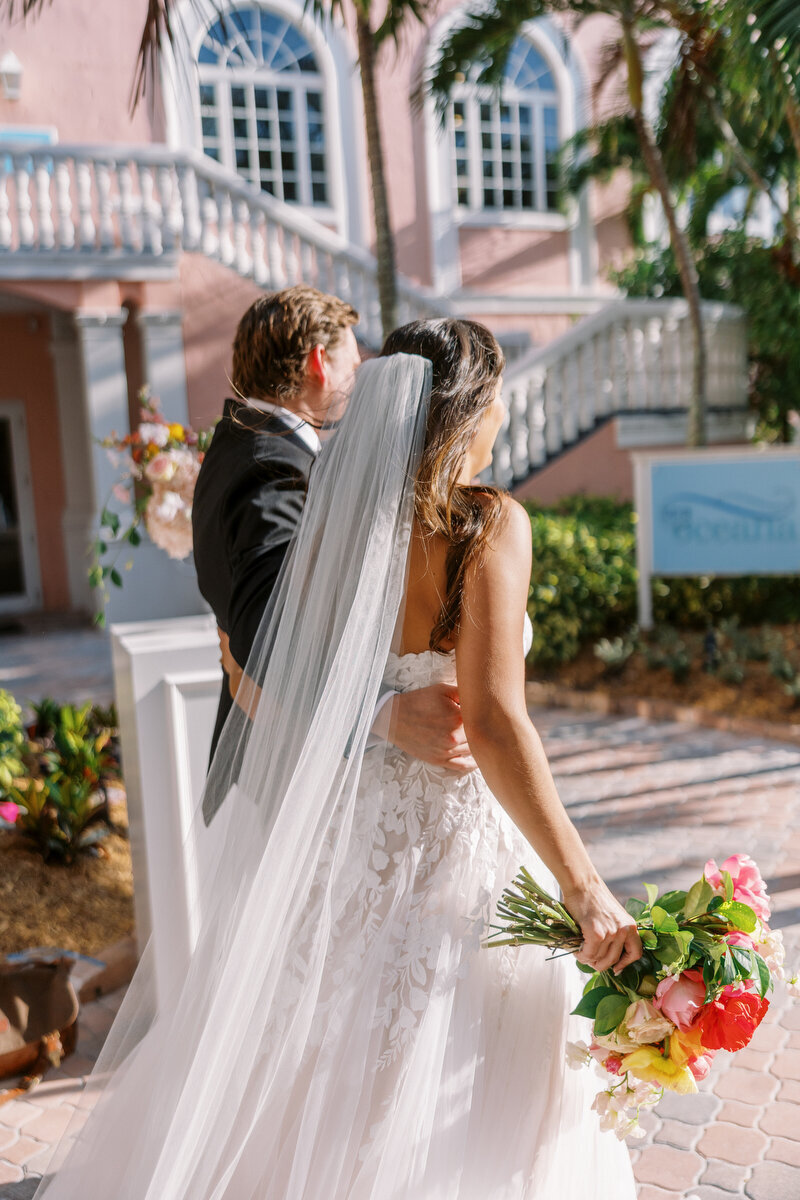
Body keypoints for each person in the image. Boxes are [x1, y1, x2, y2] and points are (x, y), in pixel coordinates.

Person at [34, 319, 640, 1199]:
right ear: (473, 407)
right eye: (499, 393)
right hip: (452, 849)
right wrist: (585, 887)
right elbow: (498, 725)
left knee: (322, 1063)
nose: (505, 414)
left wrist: (371, 722)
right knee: (455, 1074)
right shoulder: (486, 523)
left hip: (347, 840)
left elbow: (243, 667)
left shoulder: (328, 530)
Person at [192, 286, 477, 826]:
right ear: (319, 363)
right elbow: (266, 632)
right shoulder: (272, 465)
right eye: (355, 357)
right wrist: (380, 714)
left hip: (262, 749)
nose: (364, 371)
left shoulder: (238, 443)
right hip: (282, 768)